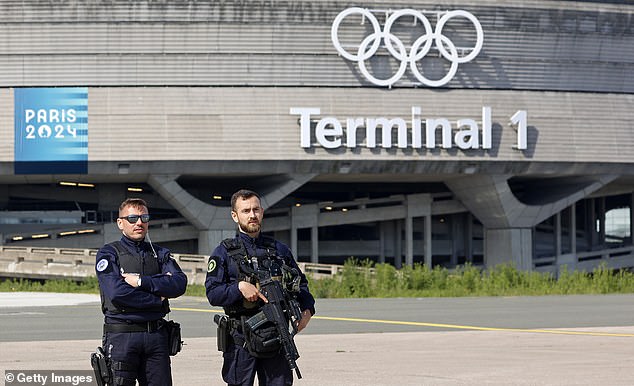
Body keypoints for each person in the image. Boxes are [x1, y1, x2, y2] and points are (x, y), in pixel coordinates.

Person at [205, 189, 316, 386]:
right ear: (235, 215)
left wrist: (307, 311)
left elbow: (301, 283)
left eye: (256, 210)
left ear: (262, 212)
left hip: (277, 336)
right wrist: (238, 288)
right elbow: (213, 293)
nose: (252, 215)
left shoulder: (279, 250)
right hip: (241, 339)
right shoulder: (224, 252)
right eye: (246, 210)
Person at [95, 198, 188, 386]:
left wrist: (140, 281)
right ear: (120, 223)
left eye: (144, 217)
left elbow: (179, 283)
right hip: (122, 337)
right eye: (132, 218)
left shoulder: (160, 254)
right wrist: (157, 299)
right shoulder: (109, 253)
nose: (139, 223)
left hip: (156, 337)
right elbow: (117, 293)